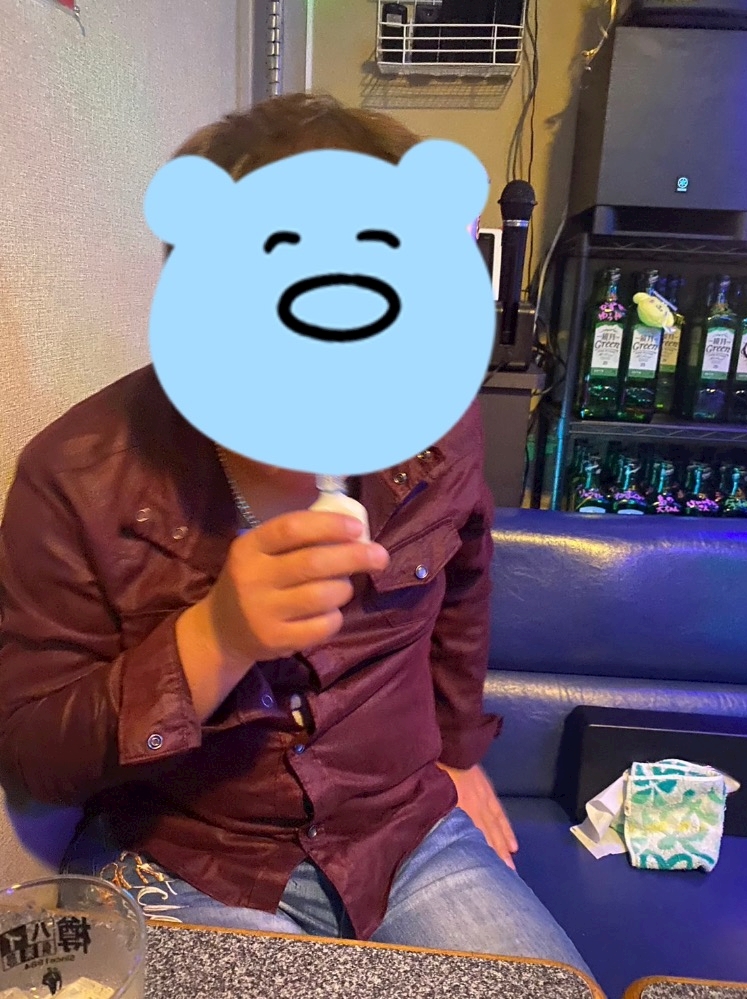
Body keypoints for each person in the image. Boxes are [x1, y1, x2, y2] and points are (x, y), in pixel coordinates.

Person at [0, 93, 591, 975]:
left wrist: (459, 754)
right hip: (188, 850)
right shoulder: (79, 473)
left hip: (404, 829)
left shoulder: (437, 419)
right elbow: (32, 751)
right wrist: (216, 636)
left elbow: (463, 588)